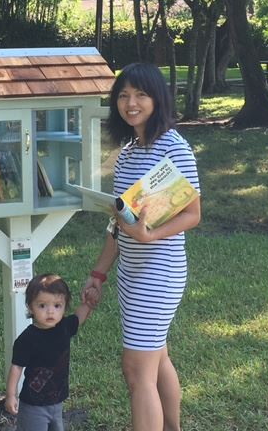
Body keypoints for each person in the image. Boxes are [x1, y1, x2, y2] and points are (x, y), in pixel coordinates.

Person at [81, 62, 201, 431]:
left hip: (159, 272)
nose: (130, 103)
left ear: (157, 98)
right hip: (131, 273)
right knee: (156, 359)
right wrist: (99, 274)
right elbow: (119, 223)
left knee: (136, 372)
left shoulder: (173, 146)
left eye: (140, 95)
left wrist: (150, 236)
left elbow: (193, 214)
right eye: (123, 95)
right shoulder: (130, 151)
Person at [5, 273, 96, 431]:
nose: (50, 312)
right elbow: (16, 367)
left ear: (64, 306)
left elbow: (79, 317)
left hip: (57, 401)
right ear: (30, 307)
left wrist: (88, 303)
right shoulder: (27, 338)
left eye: (57, 305)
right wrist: (11, 395)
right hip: (33, 405)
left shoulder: (65, 327)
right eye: (42, 305)